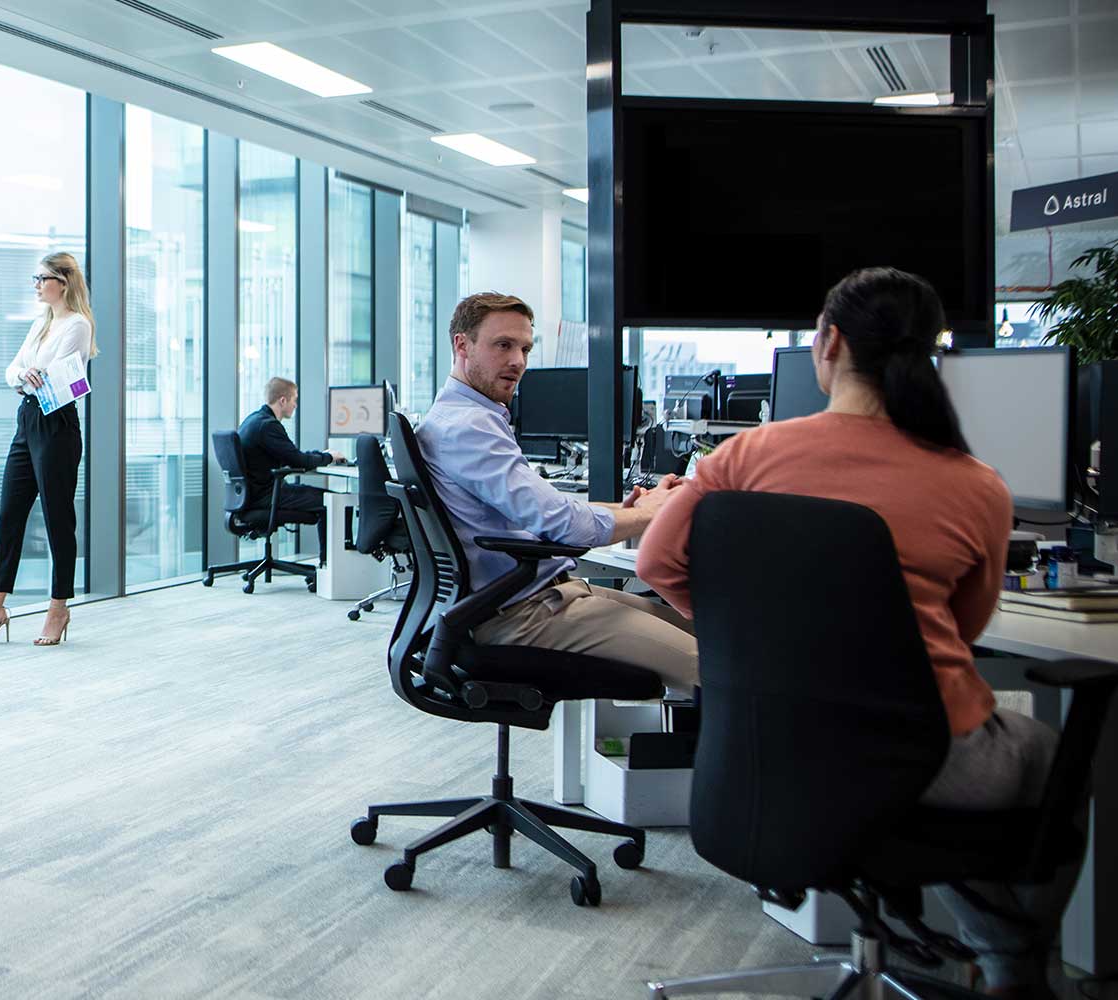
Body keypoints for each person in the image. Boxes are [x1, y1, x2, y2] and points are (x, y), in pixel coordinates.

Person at [636, 267, 1057, 998]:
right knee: (1044, 752)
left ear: (827, 343)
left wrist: (754, 637)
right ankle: (1012, 969)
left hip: (765, 747)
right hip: (923, 756)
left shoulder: (743, 457)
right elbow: (967, 628)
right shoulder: (977, 484)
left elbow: (656, 563)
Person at [414, 292, 699, 696]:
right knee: (718, 668)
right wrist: (653, 513)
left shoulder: (459, 418)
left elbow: (548, 508)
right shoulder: (469, 427)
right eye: (503, 345)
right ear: (462, 345)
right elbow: (562, 524)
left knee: (708, 632)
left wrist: (629, 508)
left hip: (536, 598)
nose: (518, 361)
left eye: (525, 348)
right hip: (524, 615)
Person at [0, 251, 95, 648]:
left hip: (56, 425)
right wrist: (23, 377)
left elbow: (52, 379)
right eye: (36, 278)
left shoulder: (77, 325)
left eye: (43, 278)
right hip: (27, 421)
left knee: (58, 518)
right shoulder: (40, 323)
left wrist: (26, 377)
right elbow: (13, 370)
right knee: (10, 512)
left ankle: (58, 607)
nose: (37, 285)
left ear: (64, 281)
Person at [238, 377, 338, 563]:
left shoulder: (254, 420)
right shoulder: (269, 426)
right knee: (333, 502)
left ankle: (329, 567)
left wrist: (320, 455)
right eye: (294, 400)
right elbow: (298, 460)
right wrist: (329, 457)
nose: (295, 405)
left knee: (328, 499)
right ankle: (330, 570)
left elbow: (292, 456)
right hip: (266, 496)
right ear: (282, 400)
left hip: (251, 495)